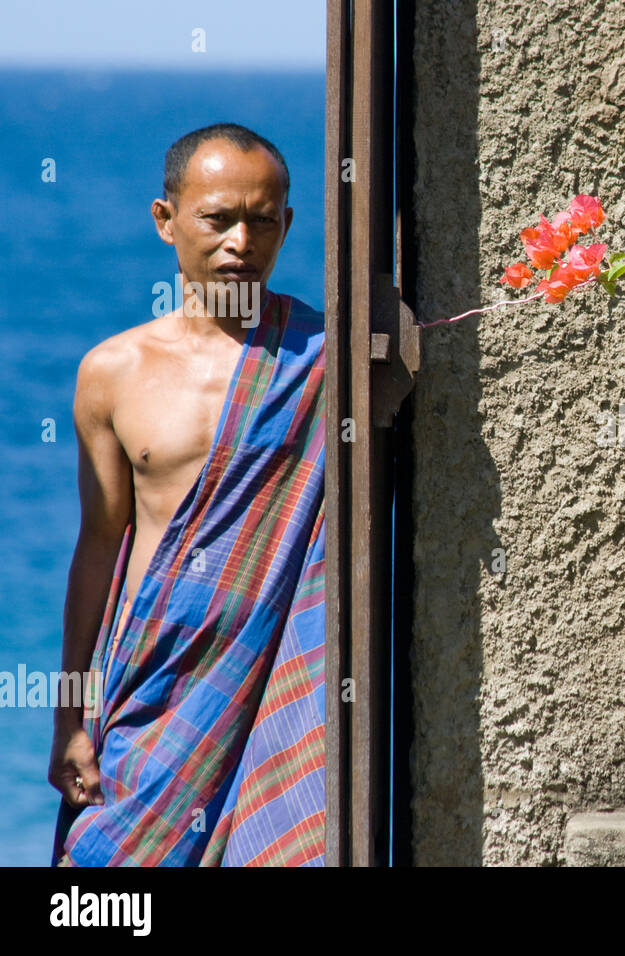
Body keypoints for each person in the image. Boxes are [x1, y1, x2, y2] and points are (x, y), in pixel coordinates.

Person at [48, 123, 327, 865]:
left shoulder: (324, 360)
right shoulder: (112, 371)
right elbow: (100, 544)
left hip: (266, 688)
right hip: (149, 688)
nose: (241, 241)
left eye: (262, 220)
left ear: (286, 226)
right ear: (165, 220)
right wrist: (69, 713)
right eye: (218, 219)